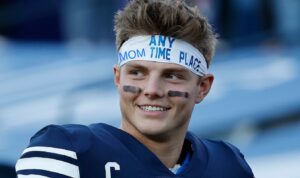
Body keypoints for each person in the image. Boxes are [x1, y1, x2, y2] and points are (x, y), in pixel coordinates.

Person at [15, 0, 254, 177]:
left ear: (202, 87)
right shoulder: (68, 151)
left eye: (172, 75)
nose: (152, 89)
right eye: (137, 73)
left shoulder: (229, 164)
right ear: (118, 78)